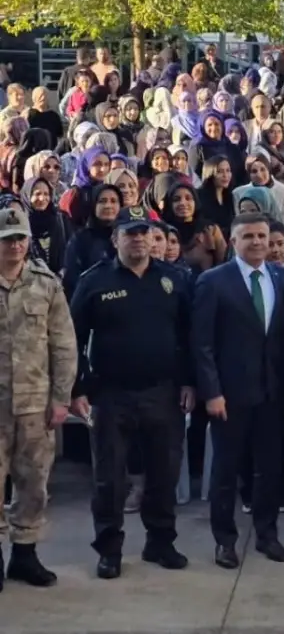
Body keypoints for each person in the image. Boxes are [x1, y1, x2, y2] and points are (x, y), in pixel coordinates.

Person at [68, 217, 193, 579]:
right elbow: (72, 338)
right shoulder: (95, 281)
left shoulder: (174, 279)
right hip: (111, 394)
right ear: (115, 239)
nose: (138, 239)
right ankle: (109, 550)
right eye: (130, 234)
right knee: (109, 479)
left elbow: (189, 336)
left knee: (164, 474)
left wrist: (189, 382)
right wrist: (78, 387)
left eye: (144, 233)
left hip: (163, 392)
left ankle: (161, 542)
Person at [192, 214, 284, 569]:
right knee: (226, 471)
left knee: (269, 469)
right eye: (248, 236)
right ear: (233, 241)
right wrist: (212, 392)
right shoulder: (213, 281)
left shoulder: (282, 277)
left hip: (272, 393)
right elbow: (202, 343)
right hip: (230, 395)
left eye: (262, 235)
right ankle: (225, 541)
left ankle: (267, 534)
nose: (257, 242)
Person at [0, 207, 76, 589]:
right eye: (6, 239)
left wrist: (61, 398)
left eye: (20, 238)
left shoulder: (46, 285)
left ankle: (24, 556)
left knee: (33, 485)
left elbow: (63, 345)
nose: (14, 245)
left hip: (34, 405)